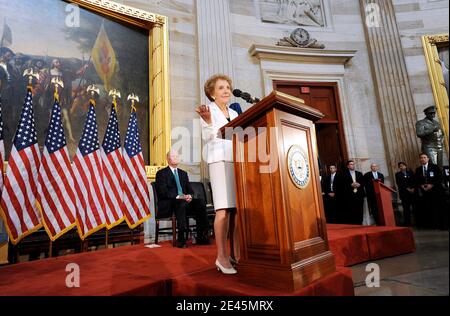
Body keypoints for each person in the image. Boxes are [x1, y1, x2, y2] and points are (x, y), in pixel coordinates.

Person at [196, 74, 239, 275]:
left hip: (236, 162)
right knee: (223, 209)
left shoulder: (234, 112)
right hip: (220, 161)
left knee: (234, 210)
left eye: (228, 87)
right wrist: (207, 121)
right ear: (212, 93)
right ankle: (221, 257)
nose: (226, 90)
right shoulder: (209, 111)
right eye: (221, 88)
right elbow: (208, 136)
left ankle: (235, 254)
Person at [155, 150, 210, 248]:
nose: (176, 158)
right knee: (181, 203)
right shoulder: (161, 173)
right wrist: (180, 196)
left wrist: (189, 196)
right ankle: (181, 238)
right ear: (167, 159)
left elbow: (190, 190)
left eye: (177, 156)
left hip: (183, 202)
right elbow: (163, 192)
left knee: (200, 202)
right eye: (173, 156)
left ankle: (202, 236)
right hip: (169, 204)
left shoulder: (183, 174)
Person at [414, 153, 443, 229]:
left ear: (428, 159)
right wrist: (421, 185)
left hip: (434, 191)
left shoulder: (434, 167)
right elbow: (416, 180)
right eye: (421, 158)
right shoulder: (418, 169)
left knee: (435, 208)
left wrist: (432, 185)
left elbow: (440, 178)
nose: (422, 159)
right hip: (424, 192)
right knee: (426, 208)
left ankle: (437, 224)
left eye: (424, 157)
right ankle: (429, 225)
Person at [340, 160, 365, 225]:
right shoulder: (344, 174)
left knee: (360, 210)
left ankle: (360, 223)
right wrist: (350, 185)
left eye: (353, 164)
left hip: (359, 195)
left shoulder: (359, 173)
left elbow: (363, 183)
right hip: (350, 196)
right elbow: (342, 185)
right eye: (351, 164)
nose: (352, 165)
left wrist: (359, 184)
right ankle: (353, 224)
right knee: (352, 210)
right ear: (348, 166)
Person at [395, 162, 416, 227]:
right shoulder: (398, 174)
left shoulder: (411, 172)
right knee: (406, 209)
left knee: (415, 208)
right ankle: (408, 223)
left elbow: (414, 180)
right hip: (404, 193)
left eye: (403, 165)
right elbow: (399, 183)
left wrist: (413, 188)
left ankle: (417, 222)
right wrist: (407, 188)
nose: (402, 167)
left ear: (405, 166)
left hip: (413, 192)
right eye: (400, 166)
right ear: (399, 167)